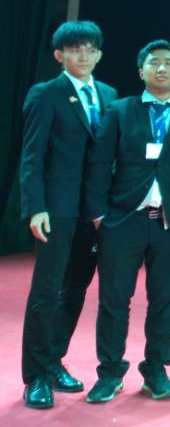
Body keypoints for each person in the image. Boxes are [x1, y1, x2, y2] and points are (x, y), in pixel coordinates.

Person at [84, 40, 170, 403]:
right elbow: (99, 164)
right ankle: (109, 372)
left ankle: (156, 370)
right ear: (140, 70)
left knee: (164, 301)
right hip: (122, 221)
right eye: (154, 63)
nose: (161, 68)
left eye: (169, 63)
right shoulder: (119, 110)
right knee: (113, 300)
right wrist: (99, 214)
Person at [19, 21, 118, 409]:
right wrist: (35, 207)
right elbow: (31, 156)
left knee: (75, 288)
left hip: (94, 211)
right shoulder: (46, 94)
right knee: (46, 291)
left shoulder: (108, 95)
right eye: (75, 49)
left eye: (91, 49)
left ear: (99, 54)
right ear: (60, 54)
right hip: (55, 209)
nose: (84, 55)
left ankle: (53, 361)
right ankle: (35, 376)